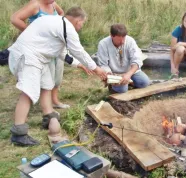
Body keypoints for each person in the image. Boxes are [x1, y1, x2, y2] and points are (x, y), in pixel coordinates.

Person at [8, 6, 107, 146]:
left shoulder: (56, 23)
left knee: (47, 84)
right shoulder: (66, 27)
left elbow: (62, 53)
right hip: (27, 56)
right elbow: (78, 50)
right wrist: (96, 68)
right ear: (78, 20)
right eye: (82, 23)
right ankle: (19, 132)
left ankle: (49, 117)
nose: (81, 26)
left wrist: (80, 65)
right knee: (29, 92)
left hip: (38, 57)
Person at [10, 0, 93, 109]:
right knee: (41, 80)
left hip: (55, 44)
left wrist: (61, 27)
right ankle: (35, 104)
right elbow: (14, 19)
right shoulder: (35, 4)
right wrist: (32, 32)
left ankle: (53, 102)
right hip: (39, 49)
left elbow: (62, 15)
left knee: (56, 78)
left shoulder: (53, 4)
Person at [97, 24, 150, 93]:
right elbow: (103, 64)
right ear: (111, 36)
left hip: (130, 71)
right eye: (119, 40)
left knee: (144, 82)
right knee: (122, 90)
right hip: (115, 74)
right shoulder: (103, 44)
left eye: (124, 39)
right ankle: (113, 86)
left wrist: (128, 74)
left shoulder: (130, 41)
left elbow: (137, 60)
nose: (122, 42)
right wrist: (109, 75)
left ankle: (129, 82)